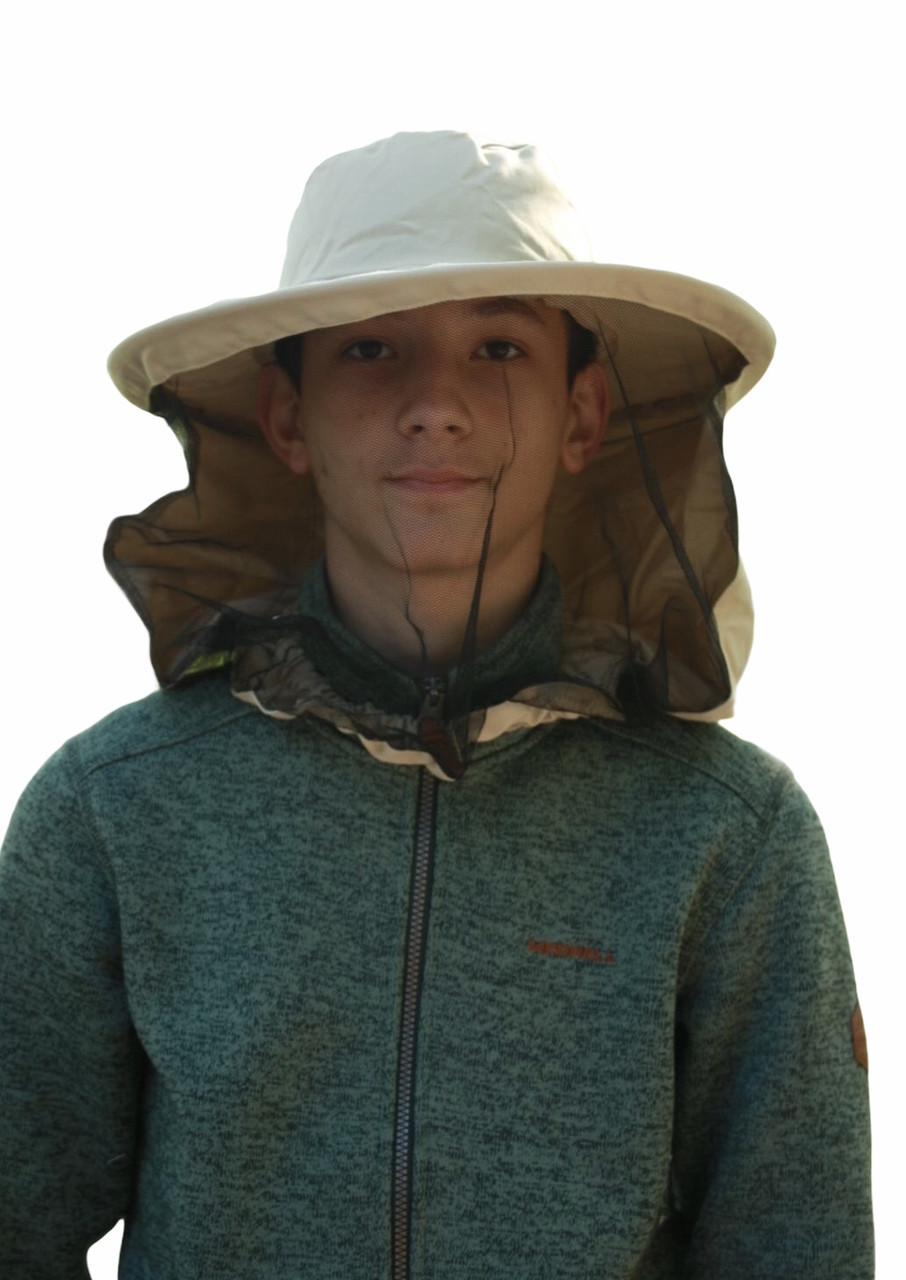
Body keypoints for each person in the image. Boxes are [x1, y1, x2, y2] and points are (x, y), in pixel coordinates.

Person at [0, 131, 872, 1277]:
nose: (435, 404)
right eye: (371, 347)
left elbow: (797, 1244)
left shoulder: (730, 832)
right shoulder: (113, 810)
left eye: (499, 347)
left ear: (581, 413)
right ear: (287, 414)